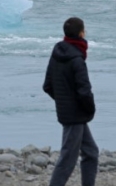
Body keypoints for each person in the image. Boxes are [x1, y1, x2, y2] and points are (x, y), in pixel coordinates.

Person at [43, 17, 98, 186]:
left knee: (91, 153)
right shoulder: (77, 59)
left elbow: (48, 86)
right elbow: (84, 92)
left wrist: (63, 101)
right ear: (81, 33)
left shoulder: (57, 53)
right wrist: (89, 109)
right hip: (75, 114)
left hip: (72, 113)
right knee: (68, 158)